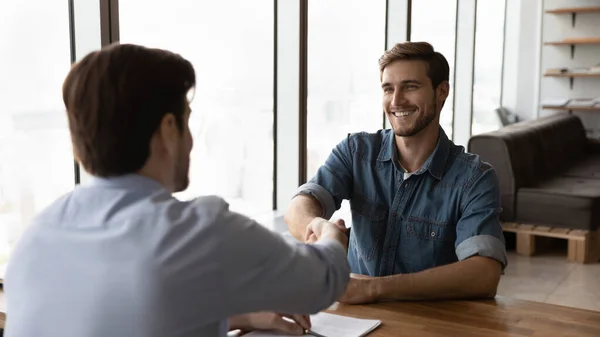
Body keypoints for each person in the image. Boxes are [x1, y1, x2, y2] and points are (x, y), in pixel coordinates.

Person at [4, 43, 350, 337]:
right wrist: (329, 234)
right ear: (168, 130)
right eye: (186, 119)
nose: (191, 140)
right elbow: (324, 281)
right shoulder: (199, 232)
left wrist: (235, 317)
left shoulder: (36, 236)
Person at [285, 41, 507, 304]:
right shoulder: (356, 151)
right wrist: (322, 230)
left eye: (410, 87)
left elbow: (484, 275)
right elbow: (298, 208)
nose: (396, 100)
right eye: (388, 89)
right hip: (354, 317)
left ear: (441, 92)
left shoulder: (475, 178)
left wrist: (373, 289)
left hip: (430, 322)